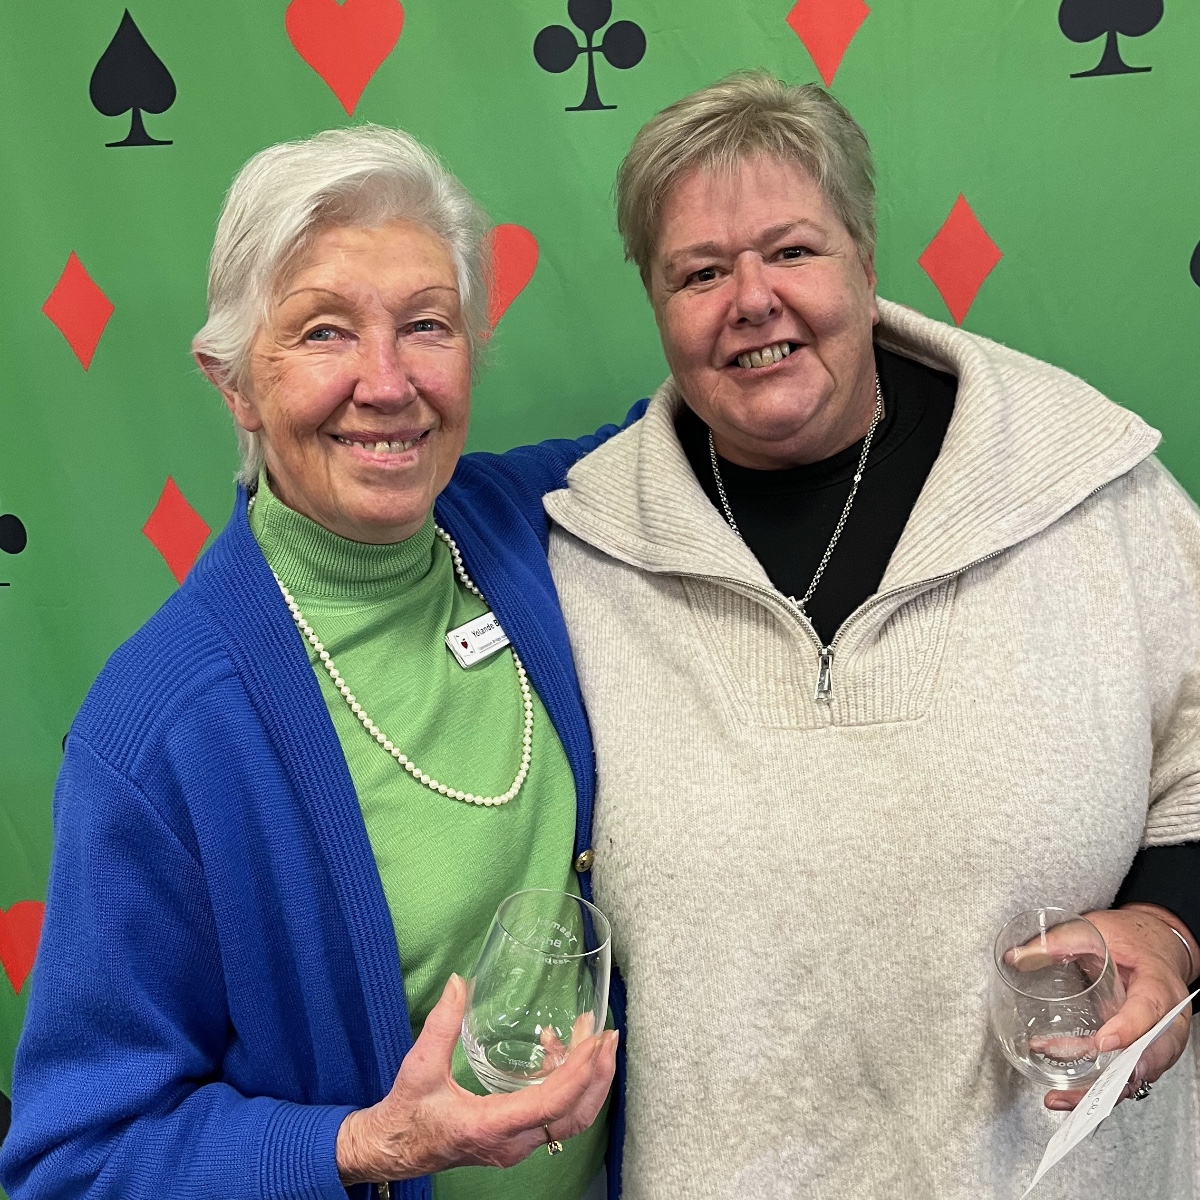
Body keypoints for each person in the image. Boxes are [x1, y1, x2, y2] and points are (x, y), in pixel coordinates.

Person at [543, 72, 1200, 1197]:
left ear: (864, 257)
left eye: (792, 251)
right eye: (700, 272)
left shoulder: (1090, 488)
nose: (752, 299)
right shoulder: (583, 550)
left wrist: (1172, 930)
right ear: (655, 303)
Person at [0, 126, 624, 1200]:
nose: (387, 383)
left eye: (425, 325)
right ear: (235, 384)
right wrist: (371, 1146)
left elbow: (723, 412)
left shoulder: (523, 521)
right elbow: (75, 1160)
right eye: (324, 331)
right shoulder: (161, 728)